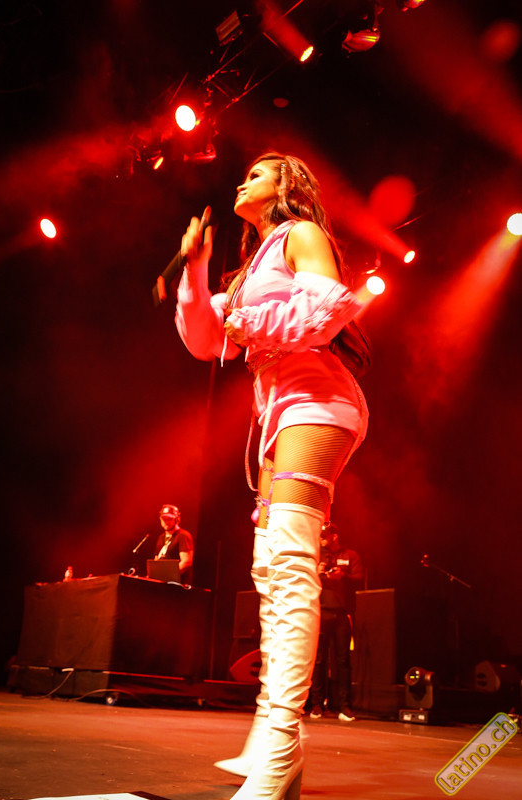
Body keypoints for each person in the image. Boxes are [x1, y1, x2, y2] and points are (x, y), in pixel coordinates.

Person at [175, 152, 370, 800]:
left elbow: (326, 310)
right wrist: (196, 270)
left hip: (319, 402)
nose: (242, 179)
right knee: (268, 570)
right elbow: (206, 340)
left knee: (287, 565)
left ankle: (281, 747)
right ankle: (268, 741)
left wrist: (242, 321)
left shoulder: (301, 235)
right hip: (279, 412)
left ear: (287, 185)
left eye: (257, 173)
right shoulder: (251, 269)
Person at [309, 521, 365, 723]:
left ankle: (345, 706)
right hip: (321, 611)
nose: (321, 539)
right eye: (320, 536)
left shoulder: (350, 555)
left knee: (343, 660)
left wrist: (344, 576)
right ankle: (316, 704)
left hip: (343, 613)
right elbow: (303, 580)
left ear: (334, 536)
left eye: (324, 535)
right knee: (319, 659)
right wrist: (315, 573)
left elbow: (360, 578)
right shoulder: (317, 556)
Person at [154, 503, 194, 584]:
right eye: (163, 519)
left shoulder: (183, 536)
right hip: (162, 583)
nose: (166, 522)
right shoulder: (161, 537)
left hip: (177, 585)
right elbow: (156, 560)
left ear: (177, 519)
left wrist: (168, 576)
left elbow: (186, 562)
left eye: (169, 519)